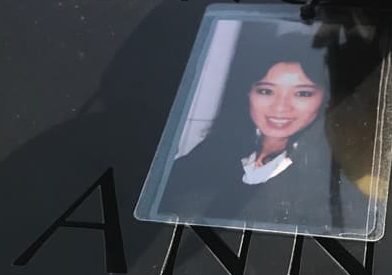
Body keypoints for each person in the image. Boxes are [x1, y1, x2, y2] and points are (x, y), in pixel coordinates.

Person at [157, 26, 374, 235]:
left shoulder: (335, 181)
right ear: (248, 93)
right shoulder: (211, 152)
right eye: (266, 90)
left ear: (325, 100)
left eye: (303, 94)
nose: (280, 106)